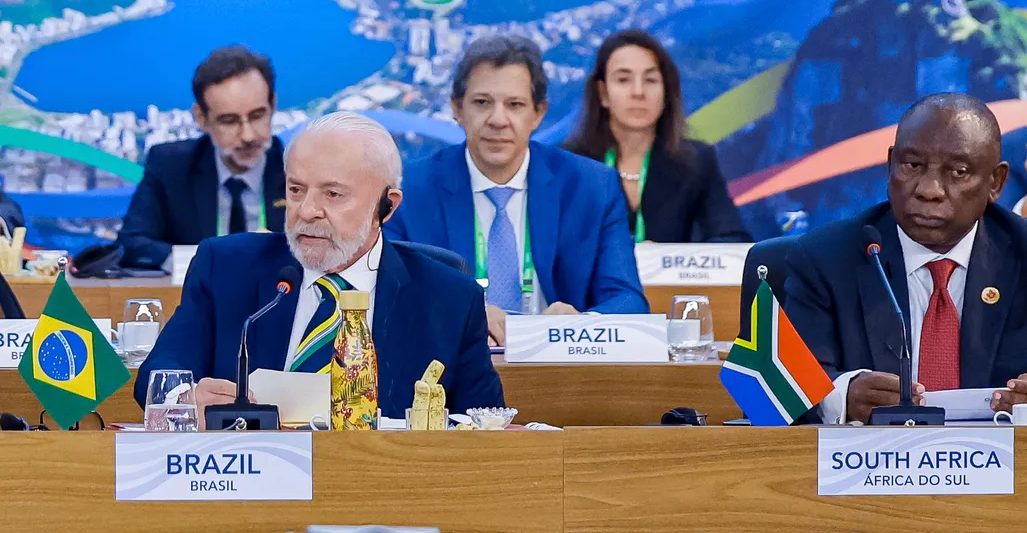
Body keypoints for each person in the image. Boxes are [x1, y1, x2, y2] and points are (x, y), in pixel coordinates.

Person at [135, 112, 503, 424]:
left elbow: (484, 424)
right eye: (296, 190)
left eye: (333, 194)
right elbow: (159, 375)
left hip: (384, 492)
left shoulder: (449, 299)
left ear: (386, 208)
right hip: (249, 489)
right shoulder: (226, 267)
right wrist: (183, 402)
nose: (307, 211)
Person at [386, 35, 648, 346]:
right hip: (446, 372)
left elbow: (628, 300)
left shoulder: (592, 187)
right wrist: (464, 314)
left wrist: (581, 325)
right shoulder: (410, 190)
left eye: (515, 105)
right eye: (482, 103)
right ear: (457, 108)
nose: (498, 120)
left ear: (538, 113)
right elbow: (389, 296)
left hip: (557, 371)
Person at [784, 93, 1027, 425]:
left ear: (995, 183)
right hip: (867, 469)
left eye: (957, 171)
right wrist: (839, 398)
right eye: (913, 165)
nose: (929, 190)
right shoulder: (824, 259)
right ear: (890, 165)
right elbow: (781, 391)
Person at [564, 30, 751, 243]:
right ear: (603, 93)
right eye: (623, 80)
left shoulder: (695, 160)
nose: (638, 92)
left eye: (651, 80)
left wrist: (668, 259)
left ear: (665, 92)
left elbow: (732, 239)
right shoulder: (569, 165)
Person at [117, 45, 286, 269]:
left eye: (257, 116)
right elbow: (131, 243)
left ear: (272, 105)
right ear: (202, 118)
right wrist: (206, 264)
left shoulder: (299, 171)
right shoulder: (170, 165)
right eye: (229, 121)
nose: (248, 135)